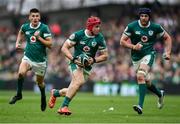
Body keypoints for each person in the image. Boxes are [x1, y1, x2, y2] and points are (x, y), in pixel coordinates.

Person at [48, 16, 108, 115]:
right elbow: (64, 48)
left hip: (87, 66)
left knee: (74, 88)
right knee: (78, 82)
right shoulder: (78, 35)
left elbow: (105, 56)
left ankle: (56, 93)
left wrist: (93, 60)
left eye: (99, 26)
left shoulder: (100, 38)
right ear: (90, 27)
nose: (99, 28)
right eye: (96, 26)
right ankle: (64, 107)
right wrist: (73, 59)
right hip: (75, 63)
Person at [120, 8, 172, 115]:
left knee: (140, 76)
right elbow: (122, 42)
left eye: (146, 16)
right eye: (142, 16)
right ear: (139, 16)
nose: (144, 18)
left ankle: (140, 106)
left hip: (149, 54)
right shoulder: (132, 26)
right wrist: (133, 46)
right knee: (147, 81)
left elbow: (167, 38)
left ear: (149, 17)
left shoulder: (155, 27)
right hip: (135, 57)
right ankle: (160, 94)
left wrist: (168, 52)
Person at [9, 8, 52, 112]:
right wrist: (17, 43)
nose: (35, 18)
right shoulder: (25, 27)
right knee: (20, 73)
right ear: (29, 17)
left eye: (37, 16)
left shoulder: (44, 28)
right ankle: (19, 95)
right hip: (28, 57)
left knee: (40, 83)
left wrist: (39, 38)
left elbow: (50, 44)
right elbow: (20, 32)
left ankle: (43, 97)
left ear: (39, 17)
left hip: (40, 61)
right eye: (33, 16)